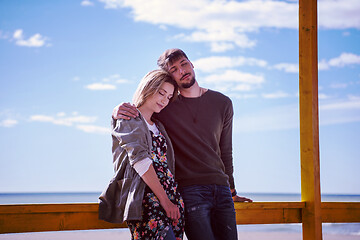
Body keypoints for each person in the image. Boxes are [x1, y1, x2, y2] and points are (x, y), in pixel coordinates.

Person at [113, 49, 252, 240]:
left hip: (221, 189)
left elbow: (225, 151)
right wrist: (116, 111)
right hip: (189, 190)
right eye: (174, 69)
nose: (182, 71)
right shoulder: (166, 106)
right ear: (169, 76)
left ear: (192, 64)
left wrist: (232, 191)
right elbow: (139, 114)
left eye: (184, 63)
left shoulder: (223, 103)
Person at [99, 69, 185, 240]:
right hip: (146, 200)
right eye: (161, 93)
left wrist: (172, 201)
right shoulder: (128, 118)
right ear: (148, 87)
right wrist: (165, 201)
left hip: (172, 199)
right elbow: (140, 161)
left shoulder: (160, 126)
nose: (164, 100)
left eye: (168, 97)